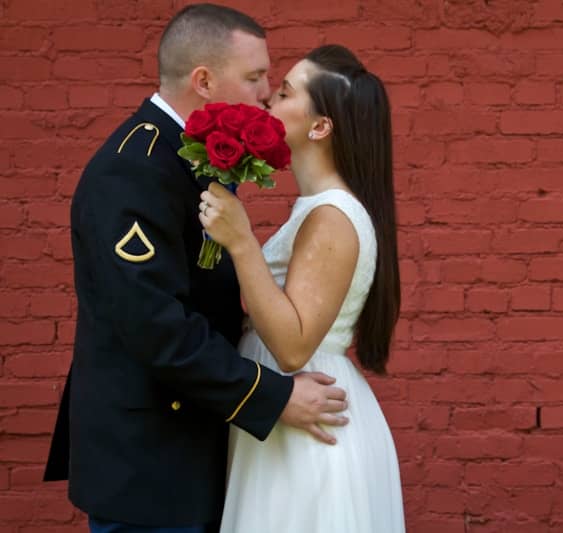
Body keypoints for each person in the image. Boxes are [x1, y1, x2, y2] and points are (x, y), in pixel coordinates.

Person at [43, 5, 349, 532]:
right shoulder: (132, 169)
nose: (264, 93)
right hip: (148, 463)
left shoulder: (182, 156)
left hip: (188, 446)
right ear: (204, 80)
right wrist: (272, 397)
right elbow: (155, 325)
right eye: (254, 77)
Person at [198, 45, 405, 532]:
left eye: (287, 92)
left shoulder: (332, 216)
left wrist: (241, 242)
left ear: (320, 127)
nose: (270, 96)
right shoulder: (318, 207)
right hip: (290, 411)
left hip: (305, 414)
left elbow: (292, 347)